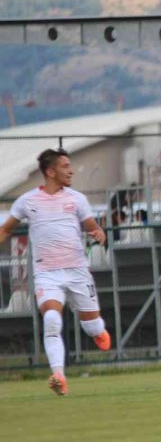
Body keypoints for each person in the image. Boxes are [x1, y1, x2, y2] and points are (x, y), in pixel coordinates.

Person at [0, 149, 111, 396]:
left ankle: (98, 331)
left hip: (77, 273)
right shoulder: (27, 201)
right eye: (65, 166)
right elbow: (6, 229)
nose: (71, 170)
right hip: (47, 274)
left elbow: (92, 227)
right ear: (51, 172)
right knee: (51, 319)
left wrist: (99, 233)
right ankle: (59, 375)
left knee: (92, 327)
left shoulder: (77, 199)